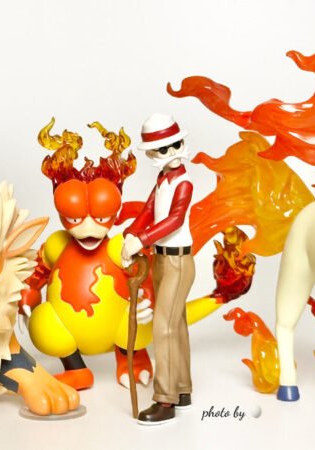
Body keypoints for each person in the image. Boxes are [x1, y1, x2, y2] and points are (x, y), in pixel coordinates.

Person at [122, 113, 196, 425]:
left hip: (178, 261)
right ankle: (182, 388)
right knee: (176, 324)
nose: (172, 153)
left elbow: (174, 220)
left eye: (175, 145)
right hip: (162, 259)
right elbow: (149, 211)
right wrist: (131, 234)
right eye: (163, 149)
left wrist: (141, 240)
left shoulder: (183, 183)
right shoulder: (162, 181)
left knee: (164, 325)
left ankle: (165, 399)